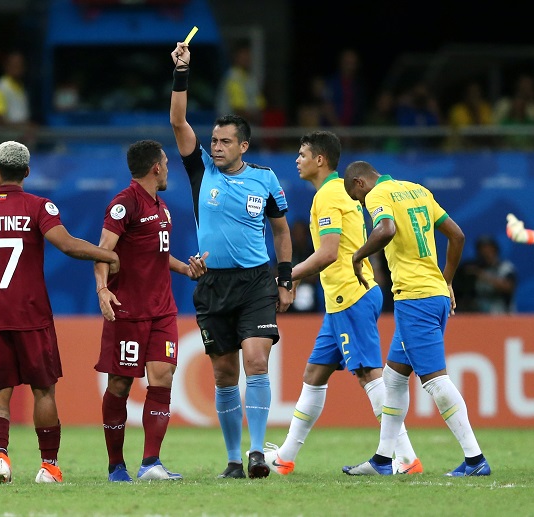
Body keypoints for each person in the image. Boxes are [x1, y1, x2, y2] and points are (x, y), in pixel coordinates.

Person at [0, 141, 120, 485]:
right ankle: (48, 466)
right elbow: (68, 244)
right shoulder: (38, 206)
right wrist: (107, 255)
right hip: (32, 315)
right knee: (43, 391)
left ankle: (0, 455)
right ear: (27, 173)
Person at [169, 41, 294, 479]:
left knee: (256, 360)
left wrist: (284, 280)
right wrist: (181, 73)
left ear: (243, 145)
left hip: (256, 282)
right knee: (224, 374)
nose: (216, 146)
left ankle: (258, 452)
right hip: (212, 284)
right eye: (214, 140)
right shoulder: (201, 170)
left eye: (224, 141)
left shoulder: (266, 179)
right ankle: (233, 460)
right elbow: (178, 120)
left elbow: (281, 232)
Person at [265, 131, 422, 476]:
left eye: (303, 154)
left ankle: (406, 457)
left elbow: (328, 252)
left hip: (350, 295)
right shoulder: (337, 192)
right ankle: (285, 459)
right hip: (343, 298)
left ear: (320, 160)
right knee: (314, 374)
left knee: (369, 374)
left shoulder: (330, 195)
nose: (297, 159)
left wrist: (286, 276)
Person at [341, 160, 490, 477]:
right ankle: (383, 460)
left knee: (435, 380)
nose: (362, 204)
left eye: (358, 198)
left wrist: (358, 255)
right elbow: (458, 236)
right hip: (433, 293)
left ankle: (475, 459)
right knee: (393, 378)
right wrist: (446, 281)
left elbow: (386, 229)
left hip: (414, 298)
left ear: (359, 183)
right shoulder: (418, 190)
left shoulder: (379, 195)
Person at [94, 139, 208, 482]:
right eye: (167, 163)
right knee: (119, 385)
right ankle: (116, 465)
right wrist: (102, 289)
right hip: (128, 311)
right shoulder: (124, 204)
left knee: (163, 378)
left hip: (162, 312)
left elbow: (156, 255)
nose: (169, 168)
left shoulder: (162, 206)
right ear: (155, 167)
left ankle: (151, 464)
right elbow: (103, 251)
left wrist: (185, 269)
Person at [460, 236, 517, 313]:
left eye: (489, 249)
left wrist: (482, 275)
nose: (486, 252)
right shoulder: (474, 269)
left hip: (503, 313)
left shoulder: (506, 268)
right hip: (480, 314)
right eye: (482, 250)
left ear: (495, 250)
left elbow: (508, 287)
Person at [215, 40, 266, 125]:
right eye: (243, 54)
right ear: (235, 57)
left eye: (248, 54)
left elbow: (259, 104)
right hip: (231, 128)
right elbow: (238, 109)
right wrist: (254, 117)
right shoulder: (233, 77)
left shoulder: (250, 77)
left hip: (248, 128)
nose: (247, 58)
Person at [0, 51, 35, 136]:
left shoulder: (21, 87)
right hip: (6, 143)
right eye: (14, 65)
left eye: (20, 65)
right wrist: (25, 127)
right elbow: (0, 121)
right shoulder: (0, 88)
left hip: (20, 140)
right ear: (6, 66)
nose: (18, 68)